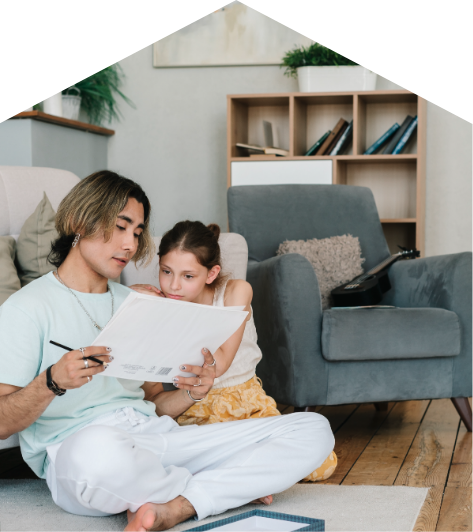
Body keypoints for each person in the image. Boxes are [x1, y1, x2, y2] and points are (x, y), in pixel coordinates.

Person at [0, 171, 335, 532]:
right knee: (96, 452)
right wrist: (52, 381)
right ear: (81, 220)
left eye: (138, 233)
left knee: (313, 430)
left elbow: (155, 402)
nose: (130, 244)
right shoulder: (25, 309)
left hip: (155, 437)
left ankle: (177, 506)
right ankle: (226, 487)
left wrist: (191, 393)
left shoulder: (137, 303)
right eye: (121, 227)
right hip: (79, 453)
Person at [131, 221, 337, 483]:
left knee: (321, 464)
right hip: (191, 411)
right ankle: (247, 478)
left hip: (245, 405)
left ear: (211, 273)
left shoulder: (235, 292)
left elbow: (220, 363)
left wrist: (170, 316)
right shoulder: (153, 308)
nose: (173, 286)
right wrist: (134, 307)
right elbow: (154, 402)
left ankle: (232, 474)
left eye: (188, 276)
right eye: (166, 271)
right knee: (143, 458)